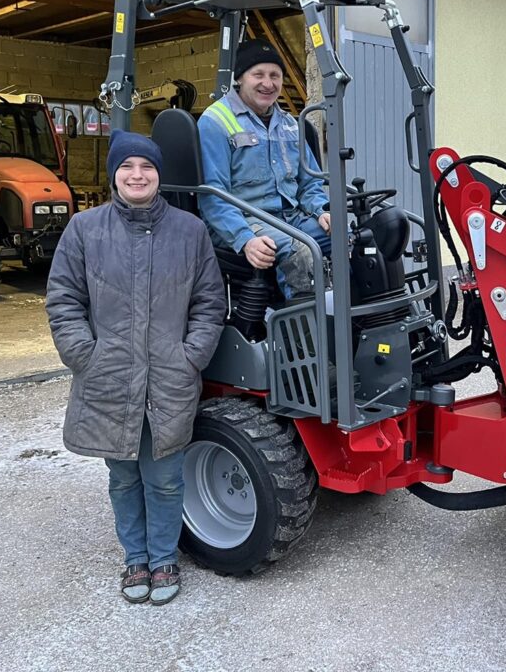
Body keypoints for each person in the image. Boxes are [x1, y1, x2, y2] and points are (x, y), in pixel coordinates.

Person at [45, 131, 225, 605]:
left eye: (146, 167)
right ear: (114, 175)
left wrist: (190, 357)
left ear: (159, 175)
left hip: (169, 376)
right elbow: (64, 301)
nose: (137, 175)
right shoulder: (84, 230)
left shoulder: (190, 231)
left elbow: (209, 304)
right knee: (123, 475)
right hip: (109, 377)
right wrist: (86, 355)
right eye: (128, 167)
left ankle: (164, 558)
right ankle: (135, 559)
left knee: (165, 475)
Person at [197, 40, 331, 298]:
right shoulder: (215, 122)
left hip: (290, 218)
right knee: (301, 250)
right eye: (258, 74)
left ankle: (356, 322)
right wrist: (245, 238)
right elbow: (214, 197)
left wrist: (322, 210)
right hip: (243, 221)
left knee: (352, 237)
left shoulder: (290, 124)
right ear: (240, 79)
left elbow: (310, 182)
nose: (268, 84)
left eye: (275, 76)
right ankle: (310, 334)